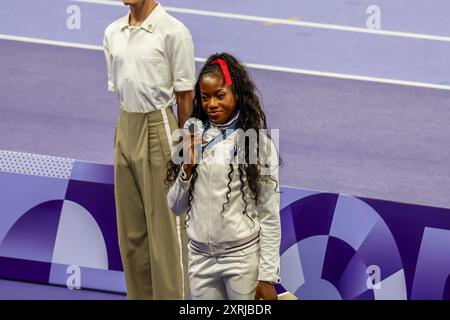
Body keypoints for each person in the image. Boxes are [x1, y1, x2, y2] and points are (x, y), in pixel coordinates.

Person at [166, 53, 281, 300]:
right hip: (199, 260)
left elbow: (269, 215)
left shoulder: (256, 143)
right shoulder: (191, 135)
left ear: (237, 94)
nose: (212, 104)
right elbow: (175, 206)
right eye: (206, 97)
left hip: (241, 261)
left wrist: (267, 276)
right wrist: (187, 167)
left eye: (220, 95)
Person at [103, 0, 195, 299]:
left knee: (167, 234)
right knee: (131, 234)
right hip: (125, 126)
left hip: (159, 127)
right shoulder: (112, 32)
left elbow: (185, 96)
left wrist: (186, 151)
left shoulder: (174, 32)